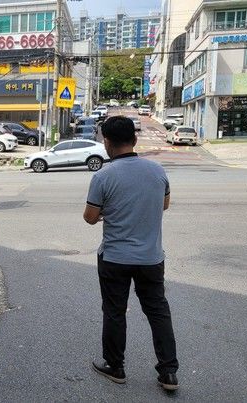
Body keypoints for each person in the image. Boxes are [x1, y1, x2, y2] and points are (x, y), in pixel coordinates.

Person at [84, 115, 179, 391]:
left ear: (107, 142)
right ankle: (168, 372)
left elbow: (90, 217)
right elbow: (164, 205)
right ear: (135, 140)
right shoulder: (157, 171)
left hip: (115, 258)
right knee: (158, 312)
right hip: (151, 258)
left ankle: (116, 367)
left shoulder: (103, 176)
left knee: (114, 312)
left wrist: (109, 212)